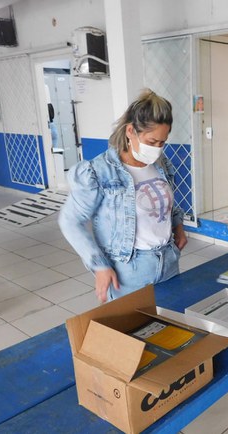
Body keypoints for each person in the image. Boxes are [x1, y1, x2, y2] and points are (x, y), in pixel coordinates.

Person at [59, 89, 187, 303]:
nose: (157, 149)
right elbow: (70, 221)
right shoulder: (99, 171)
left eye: (162, 143)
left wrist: (178, 226)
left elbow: (166, 204)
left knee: (170, 327)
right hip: (129, 270)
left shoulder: (161, 164)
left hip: (168, 261)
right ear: (130, 131)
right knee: (131, 333)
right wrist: (99, 265)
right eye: (151, 141)